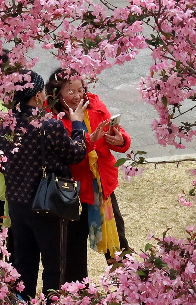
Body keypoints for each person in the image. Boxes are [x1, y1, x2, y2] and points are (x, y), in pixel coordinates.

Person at [0, 70, 88, 301]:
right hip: (46, 203)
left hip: (17, 203)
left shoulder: (4, 124)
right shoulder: (48, 125)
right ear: (37, 95)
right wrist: (78, 126)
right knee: (53, 265)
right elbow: (76, 154)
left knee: (23, 264)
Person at [46, 67, 132, 279]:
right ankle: (78, 296)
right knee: (74, 249)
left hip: (102, 186)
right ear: (57, 94)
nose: (77, 96)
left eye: (80, 90)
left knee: (118, 242)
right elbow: (67, 156)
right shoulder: (52, 119)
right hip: (73, 191)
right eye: (70, 92)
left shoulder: (95, 106)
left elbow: (117, 134)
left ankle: (134, 291)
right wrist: (88, 141)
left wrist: (121, 140)